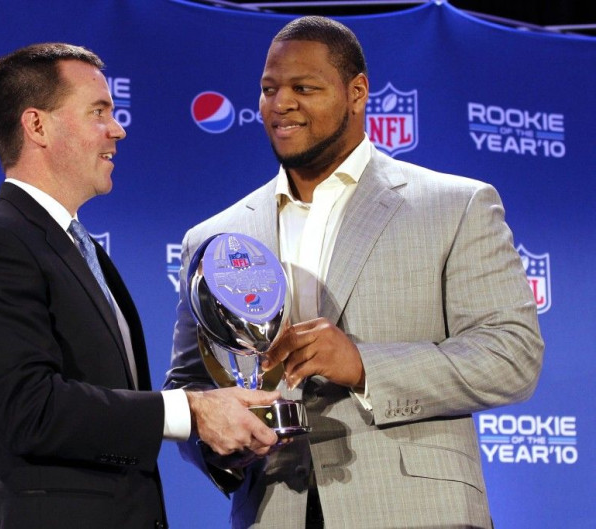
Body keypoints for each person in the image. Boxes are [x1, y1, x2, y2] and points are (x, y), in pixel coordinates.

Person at [165, 16, 544, 529]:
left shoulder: (454, 205)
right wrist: (224, 440)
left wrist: (363, 364)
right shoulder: (214, 237)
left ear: (357, 92)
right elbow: (192, 383)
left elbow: (511, 353)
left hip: (417, 512)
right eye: (269, 89)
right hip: (273, 509)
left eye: (305, 87)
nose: (282, 104)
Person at [0, 43, 280, 529]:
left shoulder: (82, 248)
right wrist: (192, 410)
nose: (118, 128)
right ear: (37, 126)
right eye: (98, 112)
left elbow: (107, 415)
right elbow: (25, 410)